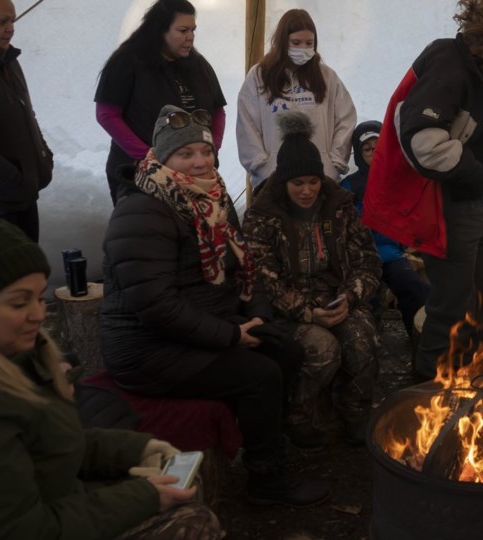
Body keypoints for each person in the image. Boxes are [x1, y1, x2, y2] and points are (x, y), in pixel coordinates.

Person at [100, 105, 329, 506]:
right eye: (186, 154)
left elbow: (245, 266)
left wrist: (257, 316)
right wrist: (231, 336)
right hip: (146, 348)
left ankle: (264, 438)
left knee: (286, 349)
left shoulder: (212, 198)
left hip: (202, 323)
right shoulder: (142, 209)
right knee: (260, 375)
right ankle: (265, 477)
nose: (200, 161)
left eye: (204, 152)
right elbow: (154, 304)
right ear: (162, 157)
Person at [0, 219, 221, 539]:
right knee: (192, 521)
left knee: (183, 482)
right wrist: (144, 497)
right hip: (50, 522)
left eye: (39, 297)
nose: (39, 314)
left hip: (65, 500)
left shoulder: (21, 360)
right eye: (20, 302)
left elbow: (56, 447)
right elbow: (26, 529)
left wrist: (141, 448)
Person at [362, 0, 483, 379]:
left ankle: (471, 374)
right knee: (451, 306)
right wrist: (475, 173)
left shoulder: (470, 70)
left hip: (471, 203)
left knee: (479, 301)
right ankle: (427, 396)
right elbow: (424, 140)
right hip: (450, 206)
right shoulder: (449, 65)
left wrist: (481, 181)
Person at [244, 111, 381, 445]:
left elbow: (367, 258)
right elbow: (263, 279)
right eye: (298, 183)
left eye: (313, 182)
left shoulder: (339, 205)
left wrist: (351, 296)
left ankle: (355, 411)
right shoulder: (264, 215)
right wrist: (308, 312)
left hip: (337, 297)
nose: (307, 191)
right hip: (289, 308)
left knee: (364, 341)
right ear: (283, 182)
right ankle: (297, 413)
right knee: (323, 349)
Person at [95, 0, 226, 205]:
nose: (190, 37)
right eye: (183, 30)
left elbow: (218, 110)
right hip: (139, 174)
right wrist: (150, 157)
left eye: (193, 30)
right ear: (160, 31)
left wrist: (211, 147)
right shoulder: (128, 60)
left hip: (195, 174)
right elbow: (107, 114)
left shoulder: (198, 64)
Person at [237, 8, 356, 188]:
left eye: (309, 43)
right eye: (296, 42)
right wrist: (261, 166)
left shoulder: (327, 76)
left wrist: (334, 163)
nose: (303, 49)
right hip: (273, 178)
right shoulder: (259, 75)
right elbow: (247, 124)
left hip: (320, 178)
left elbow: (345, 118)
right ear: (282, 42)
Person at [341, 120, 431, 343]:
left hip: (391, 253)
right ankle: (369, 341)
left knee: (413, 289)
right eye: (367, 149)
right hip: (361, 258)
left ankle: (421, 340)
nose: (373, 153)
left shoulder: (397, 179)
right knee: (364, 300)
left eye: (378, 146)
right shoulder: (349, 186)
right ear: (359, 153)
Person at [0, 0, 53, 241]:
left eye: (13, 21)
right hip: (2, 200)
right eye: (1, 22)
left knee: (31, 271)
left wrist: (44, 156)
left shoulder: (10, 61)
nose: (11, 28)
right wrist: (12, 179)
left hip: (25, 192)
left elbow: (26, 112)